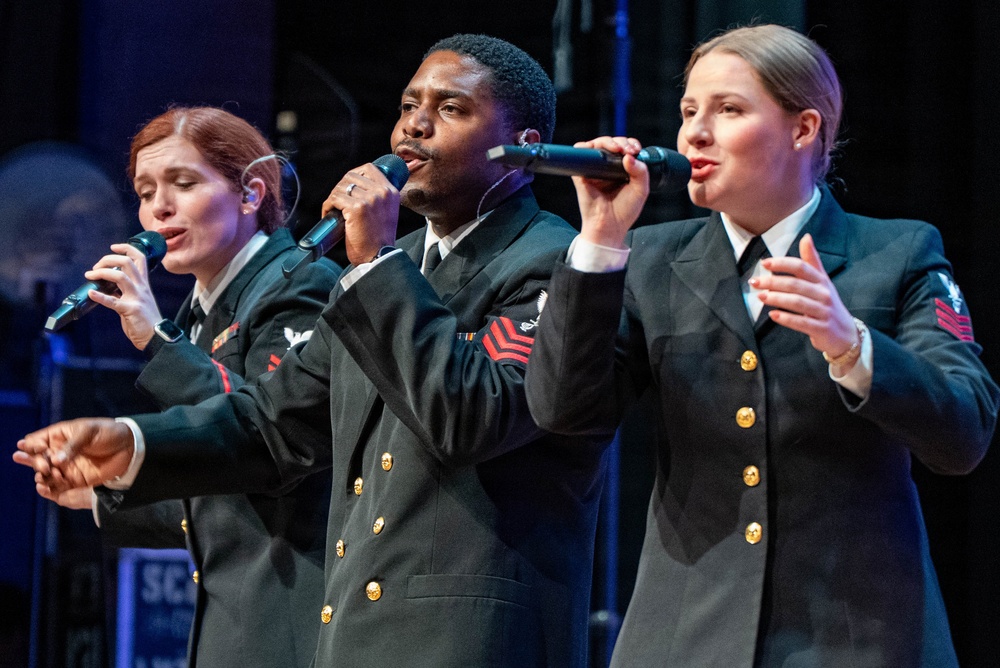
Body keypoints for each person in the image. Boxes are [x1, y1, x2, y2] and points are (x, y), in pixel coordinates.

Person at [17, 36, 609, 666]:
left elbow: (470, 417)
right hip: (354, 637)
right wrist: (134, 445)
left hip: (474, 642)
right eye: (408, 105)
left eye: (451, 108)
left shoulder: (552, 260)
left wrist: (374, 261)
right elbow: (273, 425)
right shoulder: (399, 264)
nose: (414, 125)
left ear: (522, 145)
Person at [524, 24, 1000, 667]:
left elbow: (965, 431)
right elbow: (563, 413)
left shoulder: (897, 253)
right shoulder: (650, 260)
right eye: (689, 111)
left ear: (803, 129)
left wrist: (852, 345)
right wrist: (600, 244)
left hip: (851, 640)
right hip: (686, 638)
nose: (694, 134)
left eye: (728, 110)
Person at [50, 106, 340, 667]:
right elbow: (217, 498)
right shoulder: (200, 312)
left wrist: (157, 338)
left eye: (183, 183)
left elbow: (262, 440)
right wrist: (104, 490)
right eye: (146, 191)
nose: (159, 207)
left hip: (298, 615)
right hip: (236, 622)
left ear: (251, 194)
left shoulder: (301, 283)